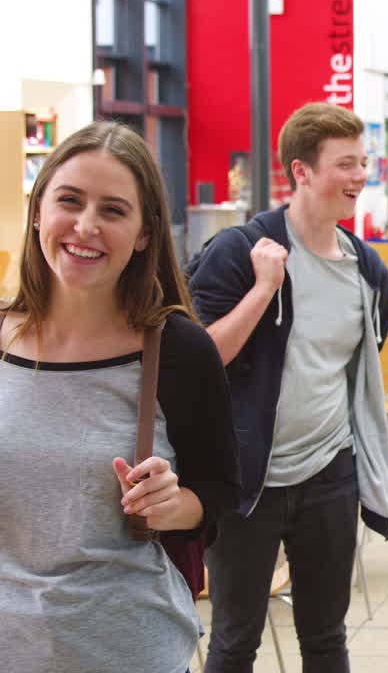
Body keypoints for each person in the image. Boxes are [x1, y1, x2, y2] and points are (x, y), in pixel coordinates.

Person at [0, 121, 239, 672]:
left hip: (126, 650)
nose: (86, 226)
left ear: (144, 234)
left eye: (113, 210)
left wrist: (171, 504)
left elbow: (220, 491)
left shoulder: (177, 350)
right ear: (38, 210)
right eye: (69, 200)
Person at [190, 102, 388, 673]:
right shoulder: (238, 252)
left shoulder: (367, 270)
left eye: (363, 163)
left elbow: (353, 368)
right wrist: (264, 290)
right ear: (302, 172)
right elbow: (201, 361)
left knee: (327, 639)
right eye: (346, 164)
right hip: (246, 483)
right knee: (235, 640)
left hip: (329, 475)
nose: (360, 177)